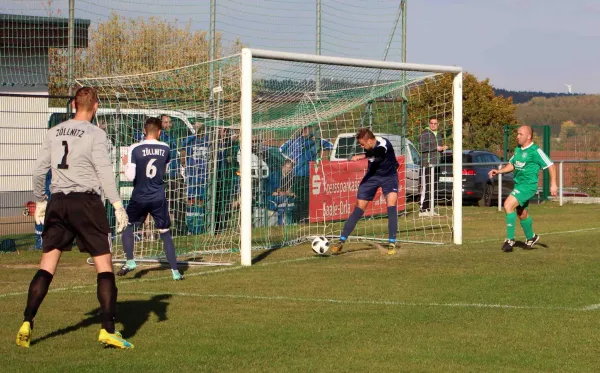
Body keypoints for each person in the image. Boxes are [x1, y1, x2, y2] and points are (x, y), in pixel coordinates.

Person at [16, 87, 133, 349]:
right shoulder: (95, 133)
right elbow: (104, 171)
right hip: (86, 202)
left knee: (47, 265)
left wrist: (41, 200)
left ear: (73, 105)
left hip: (58, 202)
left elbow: (38, 171)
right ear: (96, 106)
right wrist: (117, 204)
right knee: (104, 264)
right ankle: (108, 330)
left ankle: (27, 321)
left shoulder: (54, 131)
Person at [117, 117, 183, 280]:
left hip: (140, 195)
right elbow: (164, 170)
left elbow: (130, 174)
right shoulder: (166, 148)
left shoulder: (135, 148)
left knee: (128, 225)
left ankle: (130, 260)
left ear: (144, 131)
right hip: (158, 196)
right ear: (159, 132)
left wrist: (126, 163)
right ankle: (175, 272)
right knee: (165, 232)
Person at [330, 128, 400, 256]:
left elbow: (378, 153)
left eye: (362, 144)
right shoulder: (368, 146)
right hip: (372, 177)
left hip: (389, 177)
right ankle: (341, 241)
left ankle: (392, 243)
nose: (361, 146)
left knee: (391, 204)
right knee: (358, 208)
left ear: (369, 140)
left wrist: (363, 156)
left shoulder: (384, 144)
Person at [488, 125, 557, 252]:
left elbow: (551, 165)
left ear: (529, 136)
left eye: (520, 134)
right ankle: (531, 237)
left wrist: (553, 184)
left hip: (528, 186)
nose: (517, 136)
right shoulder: (518, 150)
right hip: (519, 185)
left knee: (508, 205)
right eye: (517, 134)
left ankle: (510, 239)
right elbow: (511, 165)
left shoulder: (535, 151)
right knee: (521, 213)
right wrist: (498, 171)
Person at [279, 126, 333, 223]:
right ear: (301, 129)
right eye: (304, 128)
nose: (306, 130)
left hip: (311, 175)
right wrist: (290, 159)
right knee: (297, 199)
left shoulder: (316, 140)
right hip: (297, 175)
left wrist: (319, 143)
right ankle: (297, 221)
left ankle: (306, 219)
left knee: (309, 199)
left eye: (308, 128)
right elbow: (281, 150)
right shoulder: (294, 140)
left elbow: (331, 146)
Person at [181, 121, 209, 234]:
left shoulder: (209, 140)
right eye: (195, 125)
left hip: (204, 176)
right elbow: (183, 158)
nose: (197, 126)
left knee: (201, 200)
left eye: (199, 124)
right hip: (192, 175)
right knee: (191, 200)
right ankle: (191, 226)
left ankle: (200, 226)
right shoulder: (189, 140)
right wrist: (187, 165)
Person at [419, 117, 448, 217]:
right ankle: (423, 209)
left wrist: (443, 149)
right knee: (426, 186)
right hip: (427, 164)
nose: (433, 125)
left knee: (434, 187)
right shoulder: (425, 134)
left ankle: (430, 208)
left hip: (436, 164)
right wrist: (436, 148)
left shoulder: (439, 135)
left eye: (435, 123)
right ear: (429, 124)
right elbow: (422, 147)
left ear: (438, 124)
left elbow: (439, 150)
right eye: (431, 123)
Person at [268, 159, 295, 226]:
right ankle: (282, 224)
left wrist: (289, 193)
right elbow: (277, 192)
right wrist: (288, 193)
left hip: (281, 196)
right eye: (288, 168)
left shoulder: (290, 176)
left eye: (290, 168)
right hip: (271, 197)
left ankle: (287, 222)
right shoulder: (276, 175)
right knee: (284, 199)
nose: (289, 169)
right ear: (283, 167)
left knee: (292, 199)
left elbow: (289, 190)